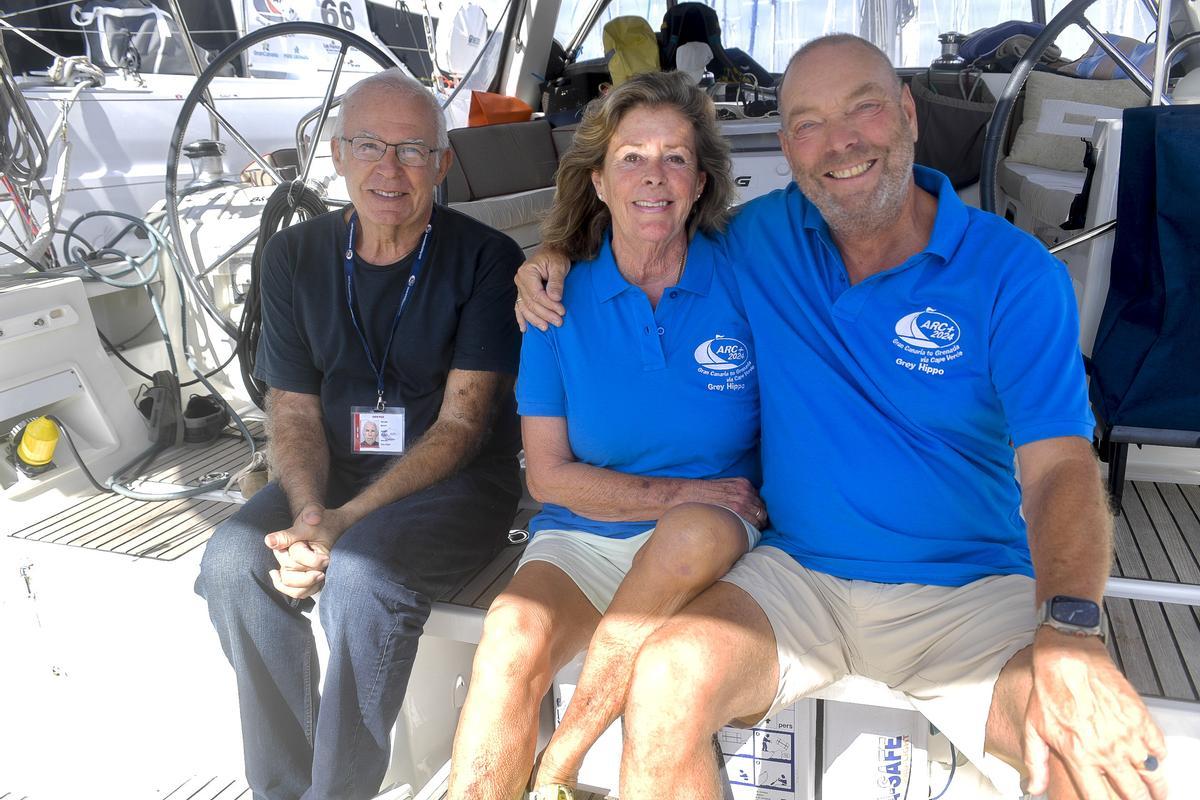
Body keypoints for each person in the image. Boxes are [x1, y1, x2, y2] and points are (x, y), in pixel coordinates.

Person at [516, 35, 1167, 800]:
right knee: (664, 682)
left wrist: (1069, 630)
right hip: (800, 578)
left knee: (1083, 753)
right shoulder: (758, 240)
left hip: (967, 589)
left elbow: (1060, 467)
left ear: (908, 114)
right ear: (787, 147)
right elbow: (644, 229)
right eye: (809, 124)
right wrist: (551, 258)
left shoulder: (1013, 273)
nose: (841, 143)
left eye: (864, 109)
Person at [196, 68, 525, 800]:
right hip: (333, 476)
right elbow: (292, 409)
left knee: (362, 576)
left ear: (442, 164)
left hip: (456, 483)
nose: (390, 169)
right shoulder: (293, 256)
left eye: (412, 151)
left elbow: (463, 425)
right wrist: (311, 513)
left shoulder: (486, 259)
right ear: (339, 154)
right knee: (231, 562)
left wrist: (340, 525)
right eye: (370, 145)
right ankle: (283, 789)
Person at [447, 71, 765, 800]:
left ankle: (559, 766)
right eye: (631, 157)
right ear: (597, 179)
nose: (654, 176)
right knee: (509, 638)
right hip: (589, 532)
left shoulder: (748, 275)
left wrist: (699, 504)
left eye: (675, 158)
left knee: (689, 533)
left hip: (718, 533)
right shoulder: (554, 298)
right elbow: (548, 477)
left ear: (701, 182)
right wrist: (680, 493)